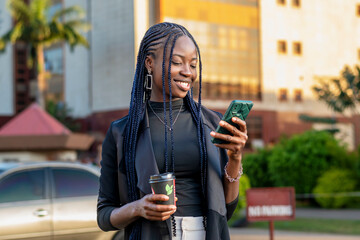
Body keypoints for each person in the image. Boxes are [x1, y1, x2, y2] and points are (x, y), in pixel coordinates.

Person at [97, 22, 248, 240]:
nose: (187, 72)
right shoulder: (122, 133)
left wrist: (235, 159)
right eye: (177, 62)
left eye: (193, 65)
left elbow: (227, 208)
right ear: (149, 63)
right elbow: (104, 216)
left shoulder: (211, 124)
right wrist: (138, 208)